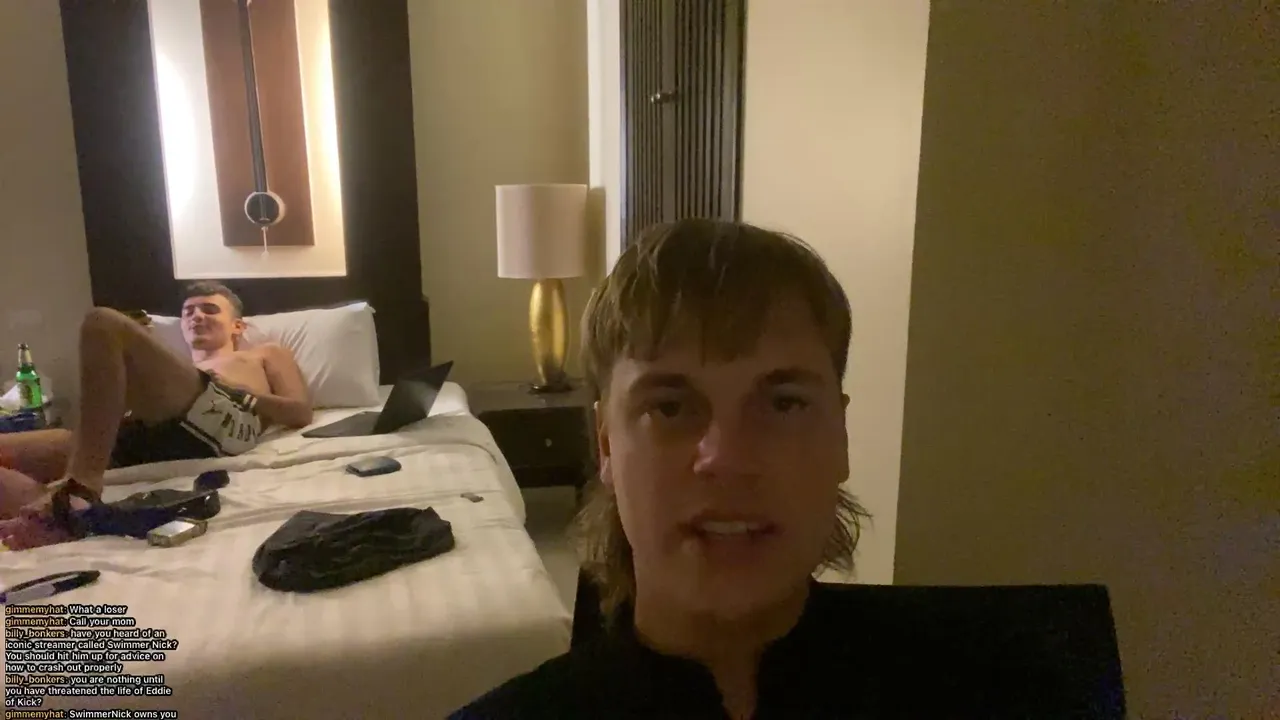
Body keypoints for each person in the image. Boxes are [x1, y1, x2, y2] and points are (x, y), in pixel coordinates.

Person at [449, 220, 1122, 719]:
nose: (727, 457)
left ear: (841, 435)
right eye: (670, 406)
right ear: (605, 446)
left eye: (784, 403)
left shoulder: (1012, 693)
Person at [0, 281, 312, 550]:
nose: (197, 316)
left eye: (210, 310)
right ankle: (52, 518)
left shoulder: (263, 353)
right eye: (188, 312)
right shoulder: (170, 369)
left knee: (102, 323)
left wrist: (236, 391)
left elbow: (300, 412)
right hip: (140, 437)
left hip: (221, 421)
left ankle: (80, 491)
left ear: (238, 326)